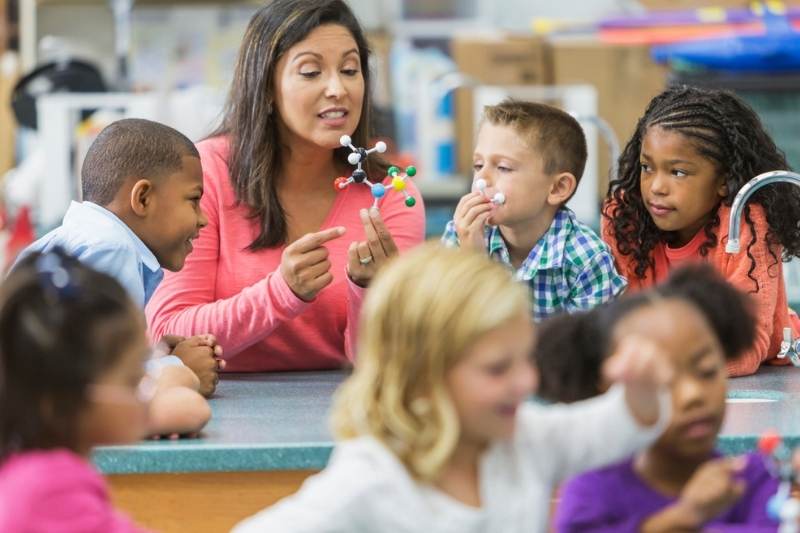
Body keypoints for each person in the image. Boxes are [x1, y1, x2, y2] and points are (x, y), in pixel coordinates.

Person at [233, 243, 672, 533]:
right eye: (498, 369)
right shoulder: (373, 480)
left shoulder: (526, 439)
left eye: (526, 359)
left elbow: (619, 426)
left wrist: (643, 389)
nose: (527, 382)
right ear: (423, 375)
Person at [146, 0, 426, 372]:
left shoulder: (390, 192)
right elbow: (168, 334)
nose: (337, 89)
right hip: (217, 406)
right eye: (311, 72)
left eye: (349, 70)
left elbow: (389, 361)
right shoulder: (206, 174)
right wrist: (281, 293)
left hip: (342, 408)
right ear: (265, 88)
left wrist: (369, 290)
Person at [548, 265, 778, 532]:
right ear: (608, 391)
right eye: (661, 382)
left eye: (706, 371)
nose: (692, 395)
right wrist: (685, 517)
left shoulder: (752, 480)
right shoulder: (592, 488)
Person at [0, 251, 210, 532]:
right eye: (133, 380)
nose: (146, 391)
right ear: (65, 398)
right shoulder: (49, 488)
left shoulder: (34, 467)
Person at [603, 85, 800, 376]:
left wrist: (661, 364)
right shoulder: (624, 217)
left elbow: (748, 344)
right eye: (647, 167)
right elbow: (622, 320)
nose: (656, 187)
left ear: (724, 180)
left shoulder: (747, 220)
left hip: (769, 366)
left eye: (678, 172)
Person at [18, 118, 222, 396]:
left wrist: (152, 357)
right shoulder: (112, 248)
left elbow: (79, 352)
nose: (204, 220)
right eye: (193, 199)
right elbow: (97, 384)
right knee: (186, 408)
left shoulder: (82, 239)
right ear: (143, 199)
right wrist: (180, 368)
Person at [442, 100, 625, 321]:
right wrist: (471, 261)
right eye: (478, 165)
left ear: (558, 188)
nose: (482, 179)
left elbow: (587, 349)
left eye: (503, 167)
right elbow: (448, 332)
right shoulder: (461, 234)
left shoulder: (587, 258)